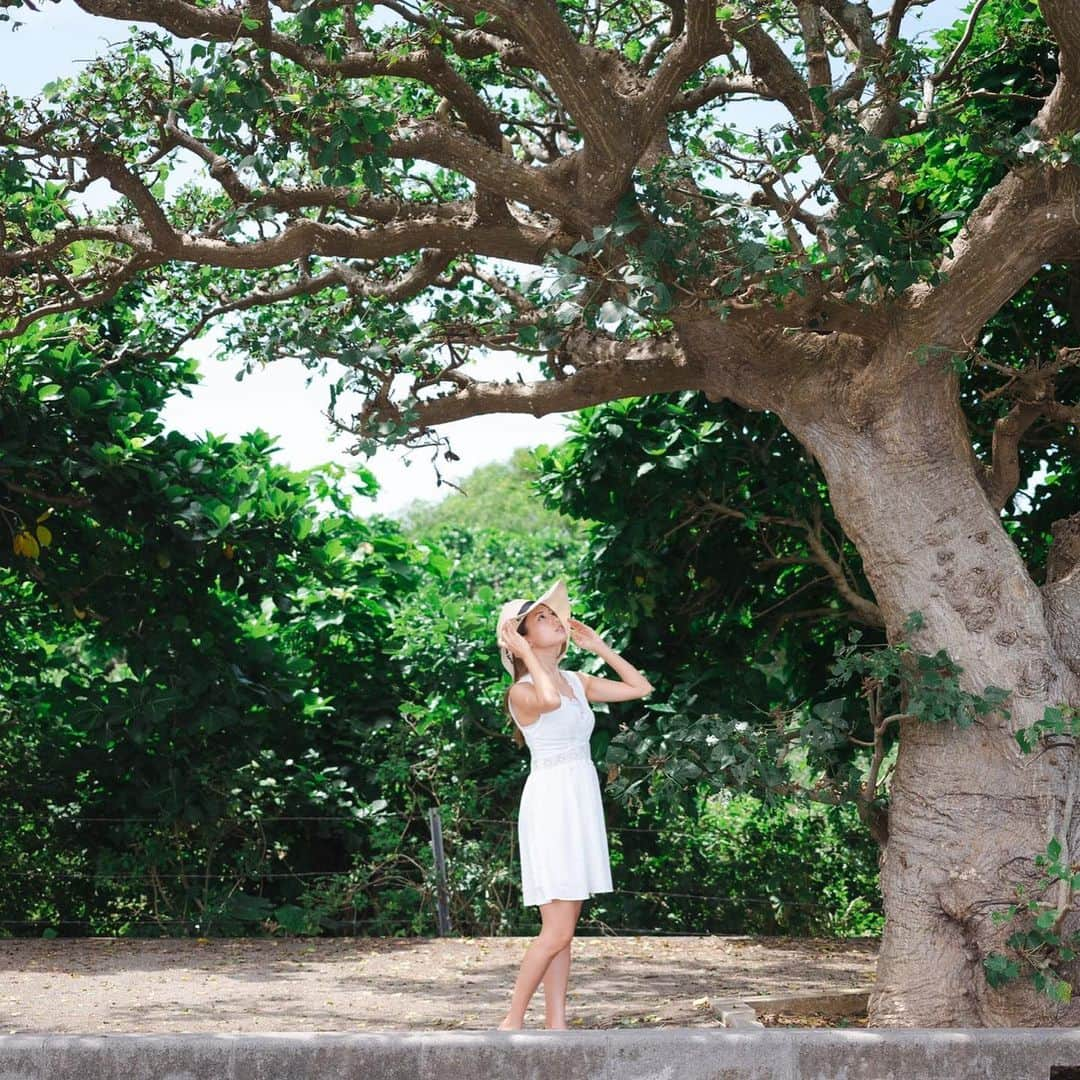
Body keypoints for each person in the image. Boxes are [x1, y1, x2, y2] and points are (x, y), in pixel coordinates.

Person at [494, 579, 653, 1031]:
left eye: (552, 614)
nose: (554, 621)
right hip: (551, 804)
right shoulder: (523, 691)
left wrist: (598, 645)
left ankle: (557, 1024)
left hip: (578, 799)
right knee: (557, 930)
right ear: (519, 637)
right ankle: (512, 1020)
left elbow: (639, 687)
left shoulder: (577, 682)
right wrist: (524, 657)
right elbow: (546, 700)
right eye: (540, 618)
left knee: (563, 930)